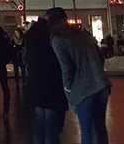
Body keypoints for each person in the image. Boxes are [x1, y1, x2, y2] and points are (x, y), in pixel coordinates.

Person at [48, 7, 112, 144]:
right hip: (101, 84)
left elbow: (66, 68)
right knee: (100, 127)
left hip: (83, 89)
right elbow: (101, 56)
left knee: (86, 130)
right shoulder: (83, 34)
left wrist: (68, 87)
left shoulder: (58, 40)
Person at [26, 17, 68, 144]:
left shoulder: (31, 39)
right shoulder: (54, 40)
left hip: (36, 88)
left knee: (40, 126)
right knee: (52, 128)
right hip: (53, 88)